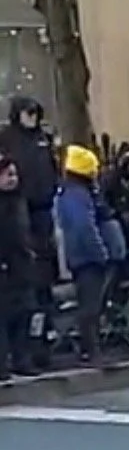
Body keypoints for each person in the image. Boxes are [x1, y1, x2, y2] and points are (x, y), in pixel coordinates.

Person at [0, 97, 60, 366]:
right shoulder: (8, 139)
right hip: (22, 217)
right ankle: (18, 353)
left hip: (42, 216)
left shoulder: (42, 140)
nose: (32, 117)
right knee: (19, 297)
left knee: (41, 290)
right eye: (28, 112)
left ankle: (41, 348)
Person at [54, 145, 118, 365]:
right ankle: (91, 350)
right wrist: (100, 252)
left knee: (91, 304)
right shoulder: (78, 195)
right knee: (90, 306)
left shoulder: (70, 193)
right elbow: (85, 228)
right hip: (87, 257)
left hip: (81, 256)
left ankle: (89, 348)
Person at [0, 151, 35, 380]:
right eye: (7, 174)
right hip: (4, 265)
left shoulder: (20, 200)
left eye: (14, 174)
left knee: (24, 313)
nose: (13, 179)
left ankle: (22, 360)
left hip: (21, 264)